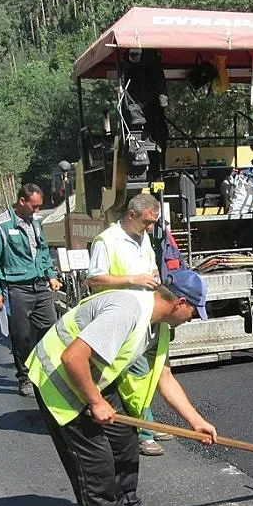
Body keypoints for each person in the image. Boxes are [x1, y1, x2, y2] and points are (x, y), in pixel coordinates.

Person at [24, 270, 216, 506]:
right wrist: (96, 401)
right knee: (96, 464)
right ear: (179, 303)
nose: (193, 318)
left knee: (126, 444)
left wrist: (196, 421)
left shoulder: (160, 326)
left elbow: (164, 377)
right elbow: (72, 357)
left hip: (93, 377)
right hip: (58, 380)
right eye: (194, 311)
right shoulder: (126, 312)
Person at [86, 192, 174, 456]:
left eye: (153, 223)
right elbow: (94, 279)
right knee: (135, 375)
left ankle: (146, 421)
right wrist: (133, 279)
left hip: (146, 313)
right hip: (121, 319)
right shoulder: (107, 241)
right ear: (131, 214)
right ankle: (143, 432)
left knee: (149, 372)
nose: (149, 228)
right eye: (146, 222)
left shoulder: (143, 236)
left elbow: (150, 267)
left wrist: (155, 278)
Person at [0, 183, 62, 396]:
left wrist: (51, 275)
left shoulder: (35, 223)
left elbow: (43, 250)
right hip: (17, 289)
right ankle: (25, 377)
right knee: (22, 335)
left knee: (52, 330)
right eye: (34, 206)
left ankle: (49, 373)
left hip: (40, 286)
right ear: (21, 201)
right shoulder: (0, 226)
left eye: (39, 207)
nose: (37, 211)